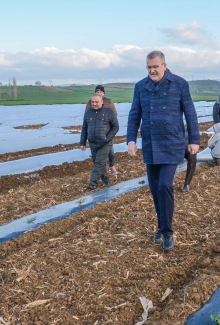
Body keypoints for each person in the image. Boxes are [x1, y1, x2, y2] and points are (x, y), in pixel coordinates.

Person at [127, 50, 200, 251]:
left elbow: (190, 113)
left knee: (165, 185)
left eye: (155, 67)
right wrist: (131, 140)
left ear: (164, 66)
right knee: (154, 188)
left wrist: (194, 140)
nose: (152, 70)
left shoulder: (179, 84)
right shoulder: (141, 87)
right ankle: (161, 226)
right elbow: (135, 114)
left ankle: (167, 232)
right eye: (149, 67)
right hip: (151, 145)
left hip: (172, 143)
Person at [80, 95, 119, 190]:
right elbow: (84, 129)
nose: (94, 104)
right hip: (93, 143)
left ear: (102, 102)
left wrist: (107, 138)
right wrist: (82, 142)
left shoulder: (109, 112)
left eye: (96, 102)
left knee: (98, 163)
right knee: (98, 164)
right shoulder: (88, 113)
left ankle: (92, 183)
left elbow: (116, 127)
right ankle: (106, 181)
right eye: (92, 102)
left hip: (105, 143)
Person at [85, 85, 119, 174]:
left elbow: (114, 113)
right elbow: (87, 113)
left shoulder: (108, 101)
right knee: (95, 150)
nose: (99, 93)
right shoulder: (90, 102)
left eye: (100, 92)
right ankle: (101, 169)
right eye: (97, 92)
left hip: (107, 129)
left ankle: (112, 165)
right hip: (95, 129)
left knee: (110, 148)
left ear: (103, 93)